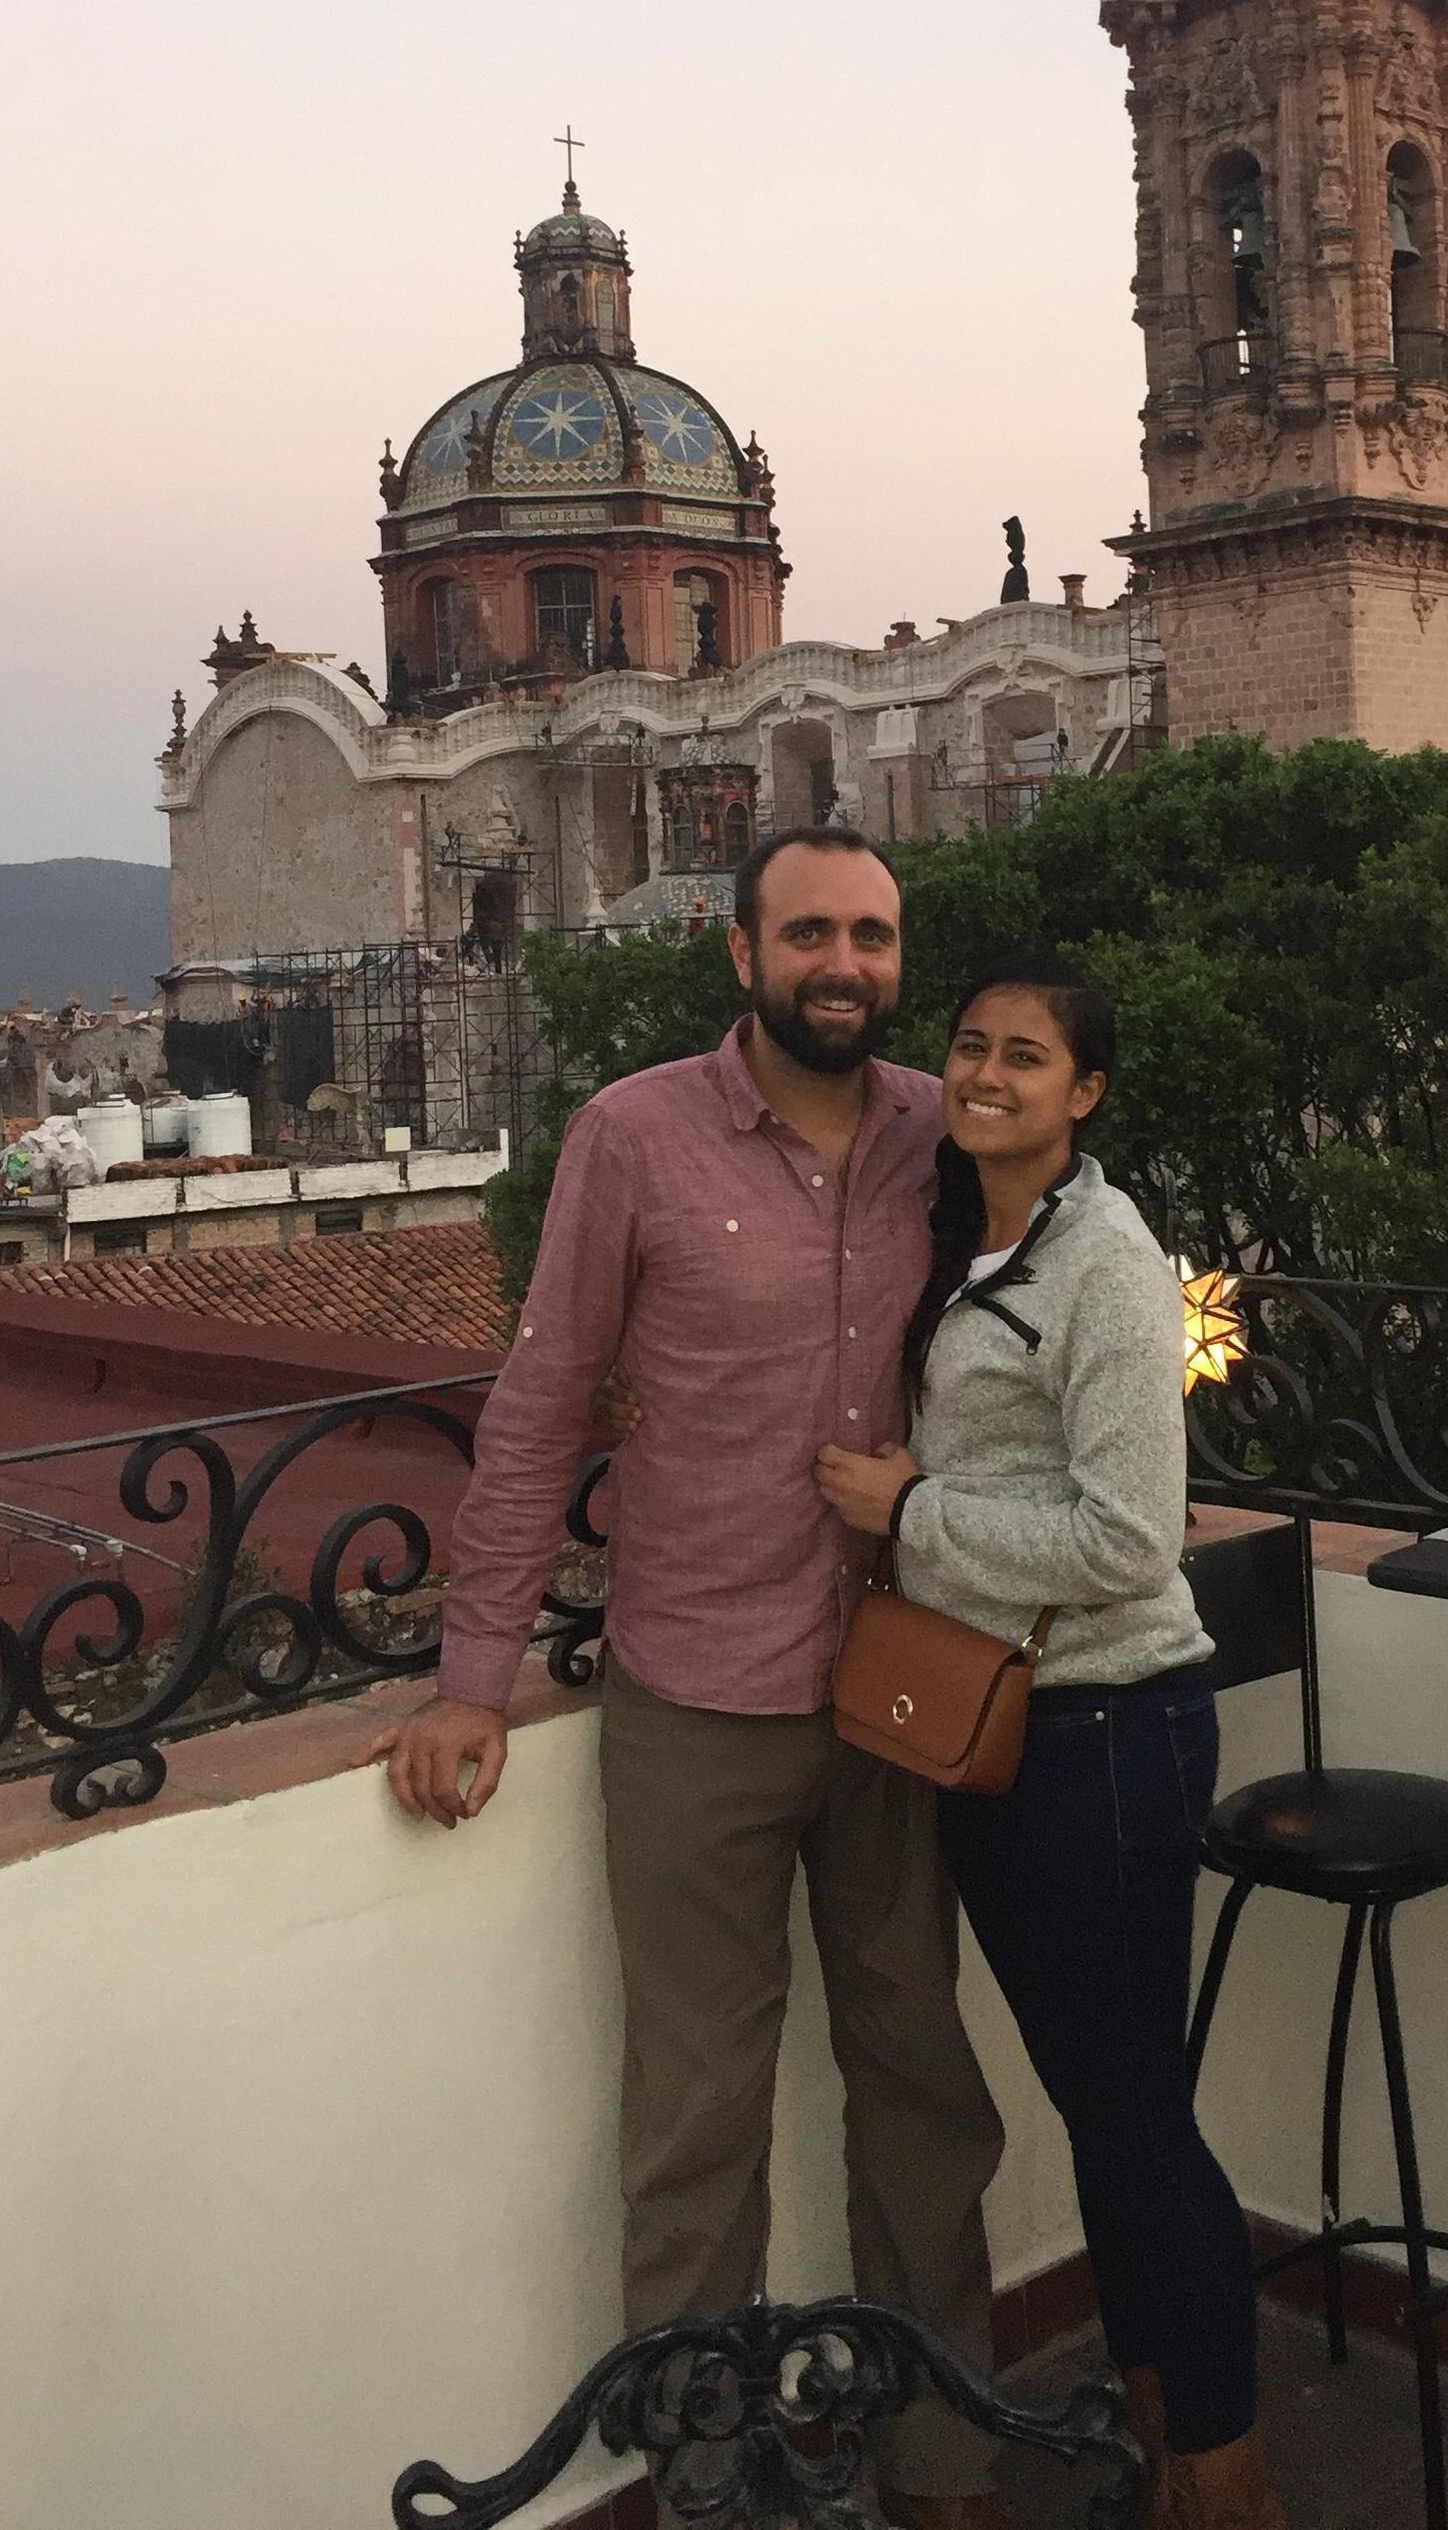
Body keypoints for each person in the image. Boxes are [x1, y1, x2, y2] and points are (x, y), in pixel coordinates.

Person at [366, 830, 1018, 2530]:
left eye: (872, 935)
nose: (844, 963)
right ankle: (709, 2482)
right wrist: (472, 1678)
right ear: (741, 954)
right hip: (695, 1699)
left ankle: (942, 2465)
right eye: (810, 931)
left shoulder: (943, 1136)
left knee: (924, 2093)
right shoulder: (633, 1137)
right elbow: (543, 1404)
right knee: (697, 2125)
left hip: (895, 1694)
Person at [811, 953, 1287, 2530]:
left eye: (1027, 1056)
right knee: (1108, 2105)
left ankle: (1224, 2481)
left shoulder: (1104, 1261)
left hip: (1105, 1734)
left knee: (1137, 2117)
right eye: (969, 1048)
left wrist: (916, 1514)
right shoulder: (972, 1236)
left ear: (1085, 1093)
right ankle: (1168, 2450)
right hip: (1007, 1733)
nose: (988, 1074)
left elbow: (1135, 1538)